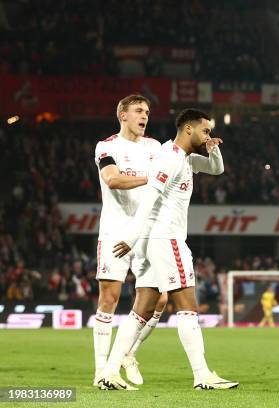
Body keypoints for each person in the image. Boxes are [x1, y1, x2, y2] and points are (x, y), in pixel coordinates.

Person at [97, 108, 238, 391]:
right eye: (205, 131)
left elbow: (216, 169)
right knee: (187, 306)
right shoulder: (170, 158)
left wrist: (214, 149)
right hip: (166, 239)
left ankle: (109, 372)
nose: (208, 135)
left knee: (142, 310)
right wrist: (134, 236)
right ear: (188, 129)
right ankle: (202, 375)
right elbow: (150, 197)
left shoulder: (184, 157)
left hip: (155, 241)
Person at [93, 94, 167, 387]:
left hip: (147, 232)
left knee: (159, 299)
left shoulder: (155, 147)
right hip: (116, 231)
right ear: (122, 115)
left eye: (147, 111)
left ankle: (128, 353)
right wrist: (152, 178)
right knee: (109, 298)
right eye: (138, 110)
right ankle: (101, 371)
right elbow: (112, 179)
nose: (144, 116)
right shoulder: (106, 146)